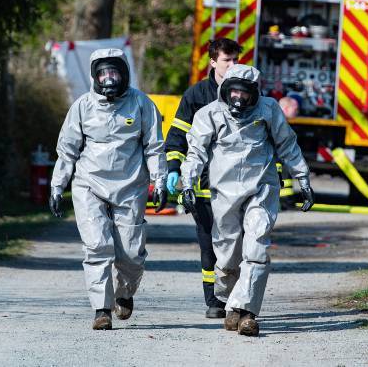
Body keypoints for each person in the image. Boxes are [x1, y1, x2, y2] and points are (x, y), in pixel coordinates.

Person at [180, 64, 315, 336]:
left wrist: (303, 178)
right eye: (234, 93)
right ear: (225, 92)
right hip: (224, 193)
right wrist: (187, 183)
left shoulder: (268, 110)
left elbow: (287, 144)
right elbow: (195, 151)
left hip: (261, 189)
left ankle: (248, 314)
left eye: (245, 94)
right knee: (227, 257)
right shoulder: (209, 114)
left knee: (256, 249)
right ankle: (232, 303)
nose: (239, 99)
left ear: (255, 93)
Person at [49, 48, 167, 331]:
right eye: (103, 73)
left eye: (114, 72)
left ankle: (124, 294)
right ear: (95, 76)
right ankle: (101, 309)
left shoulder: (142, 104)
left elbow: (154, 147)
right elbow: (67, 152)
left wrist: (159, 181)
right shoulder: (82, 106)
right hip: (89, 185)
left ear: (124, 73)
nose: (109, 78)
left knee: (131, 254)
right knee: (97, 246)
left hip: (131, 187)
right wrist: (57, 186)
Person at [163, 37, 242, 318]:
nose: (233, 66)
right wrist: (173, 169)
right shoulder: (196, 95)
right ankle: (214, 301)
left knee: (236, 245)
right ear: (212, 62)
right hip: (204, 186)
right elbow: (176, 138)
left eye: (236, 60)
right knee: (209, 246)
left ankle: (237, 298)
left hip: (239, 185)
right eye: (227, 60)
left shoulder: (248, 93)